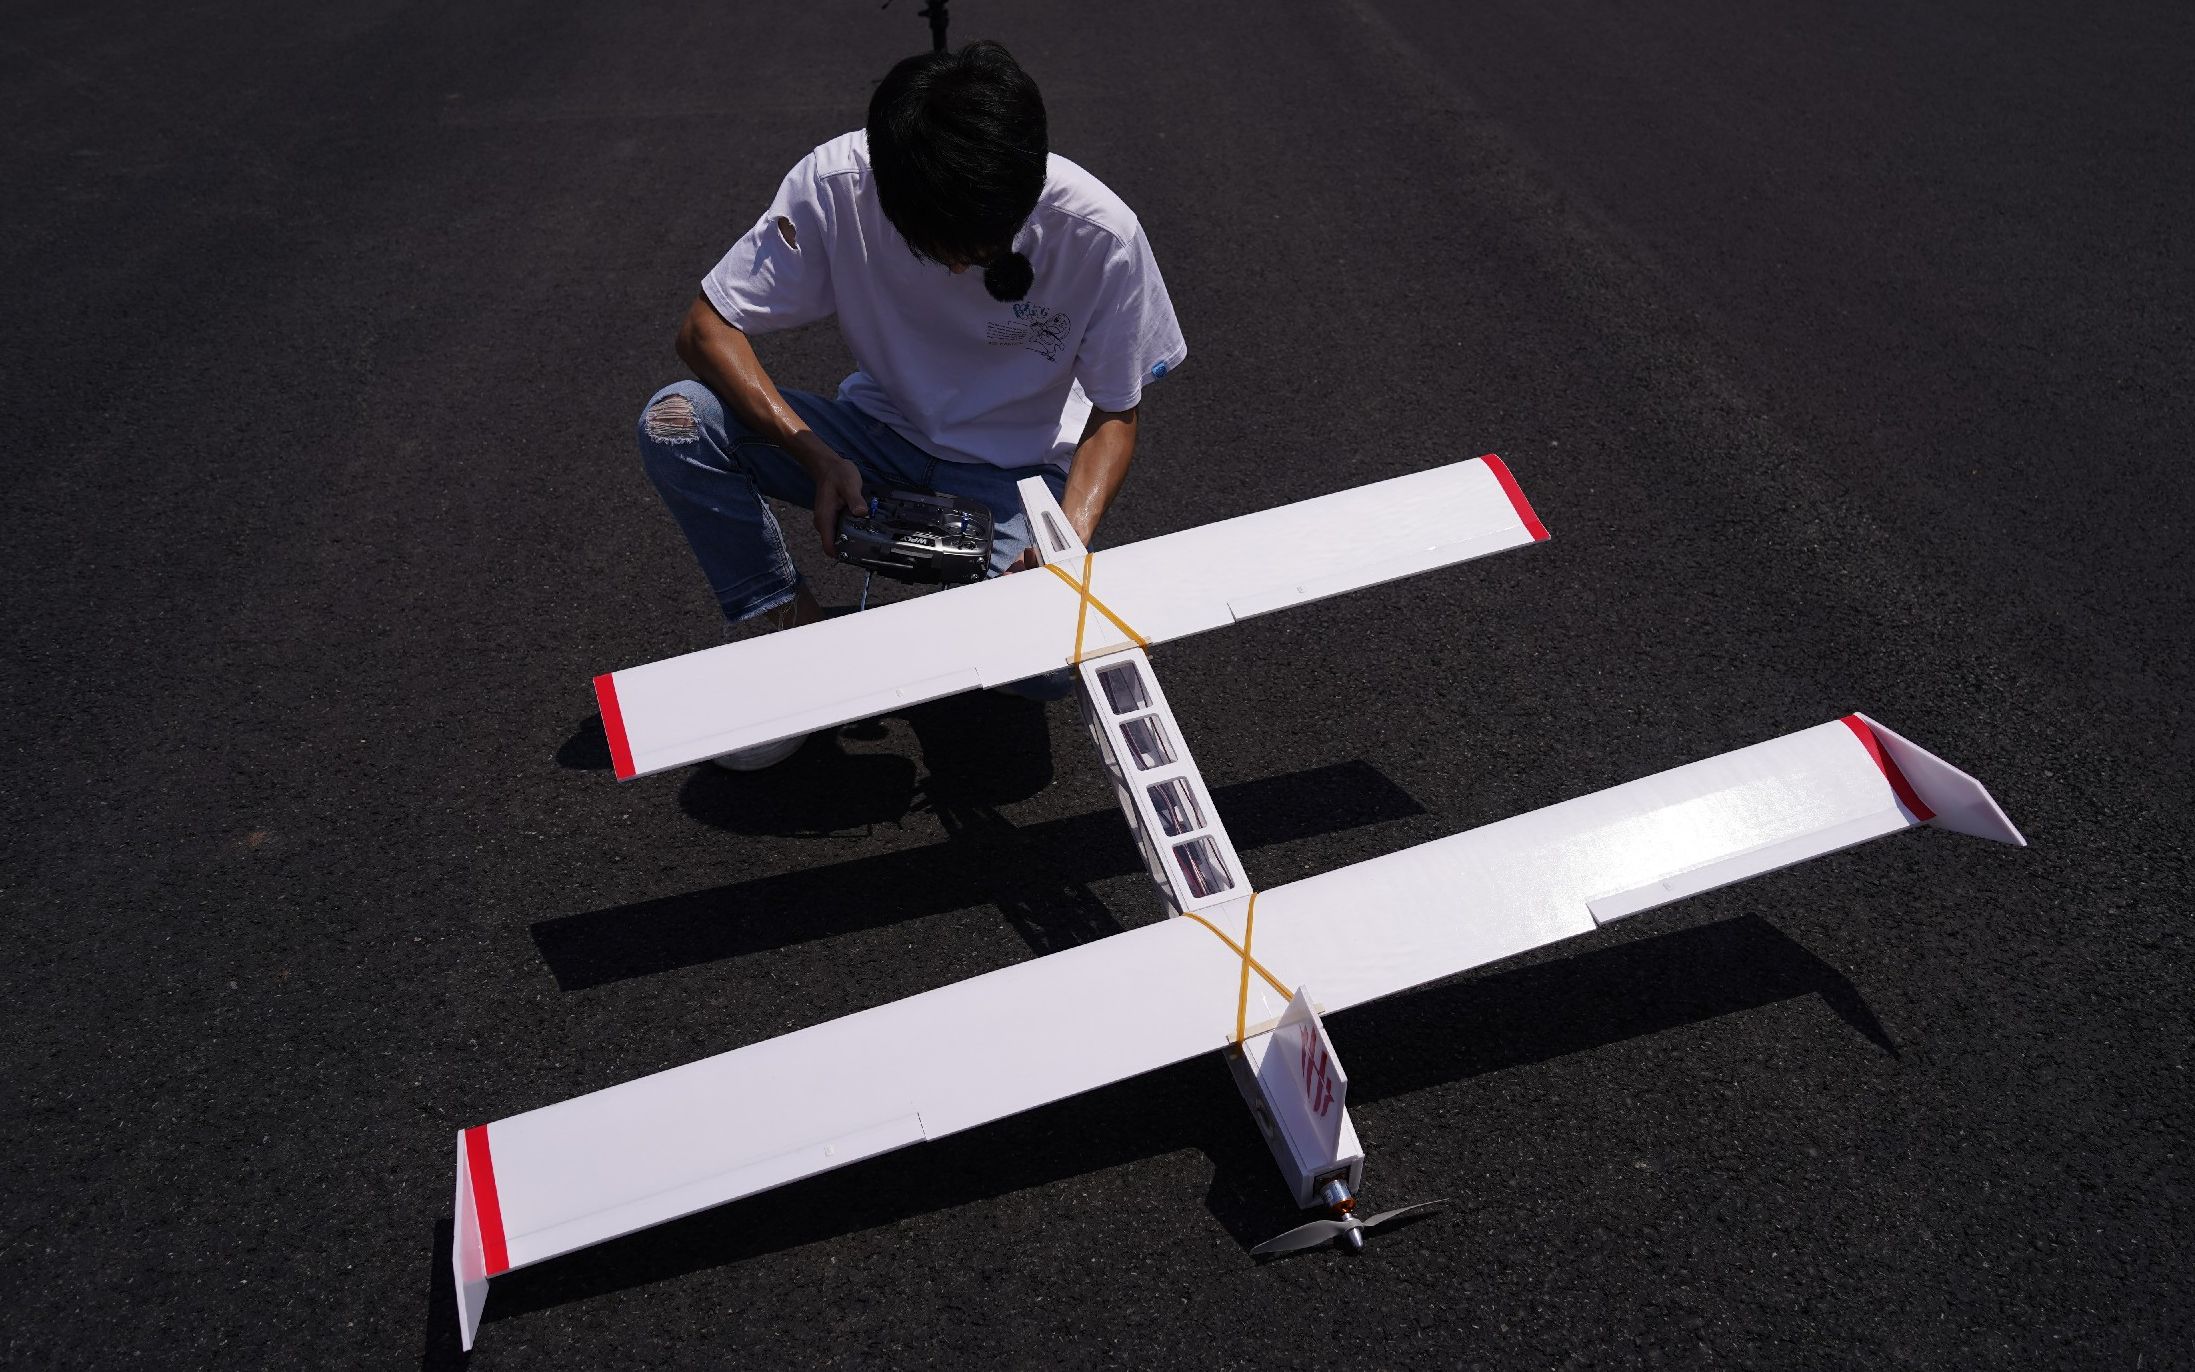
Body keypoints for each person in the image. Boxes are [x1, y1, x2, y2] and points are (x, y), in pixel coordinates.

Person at [634, 40, 1187, 769]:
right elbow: (705, 327)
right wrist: (816, 455)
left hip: (1015, 470)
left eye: (981, 246)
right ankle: (788, 631)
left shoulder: (1100, 232)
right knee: (677, 421)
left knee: (1049, 665)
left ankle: (954, 616)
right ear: (888, 195)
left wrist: (1066, 546)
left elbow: (1115, 414)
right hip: (874, 434)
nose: (959, 265)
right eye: (935, 243)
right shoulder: (837, 184)